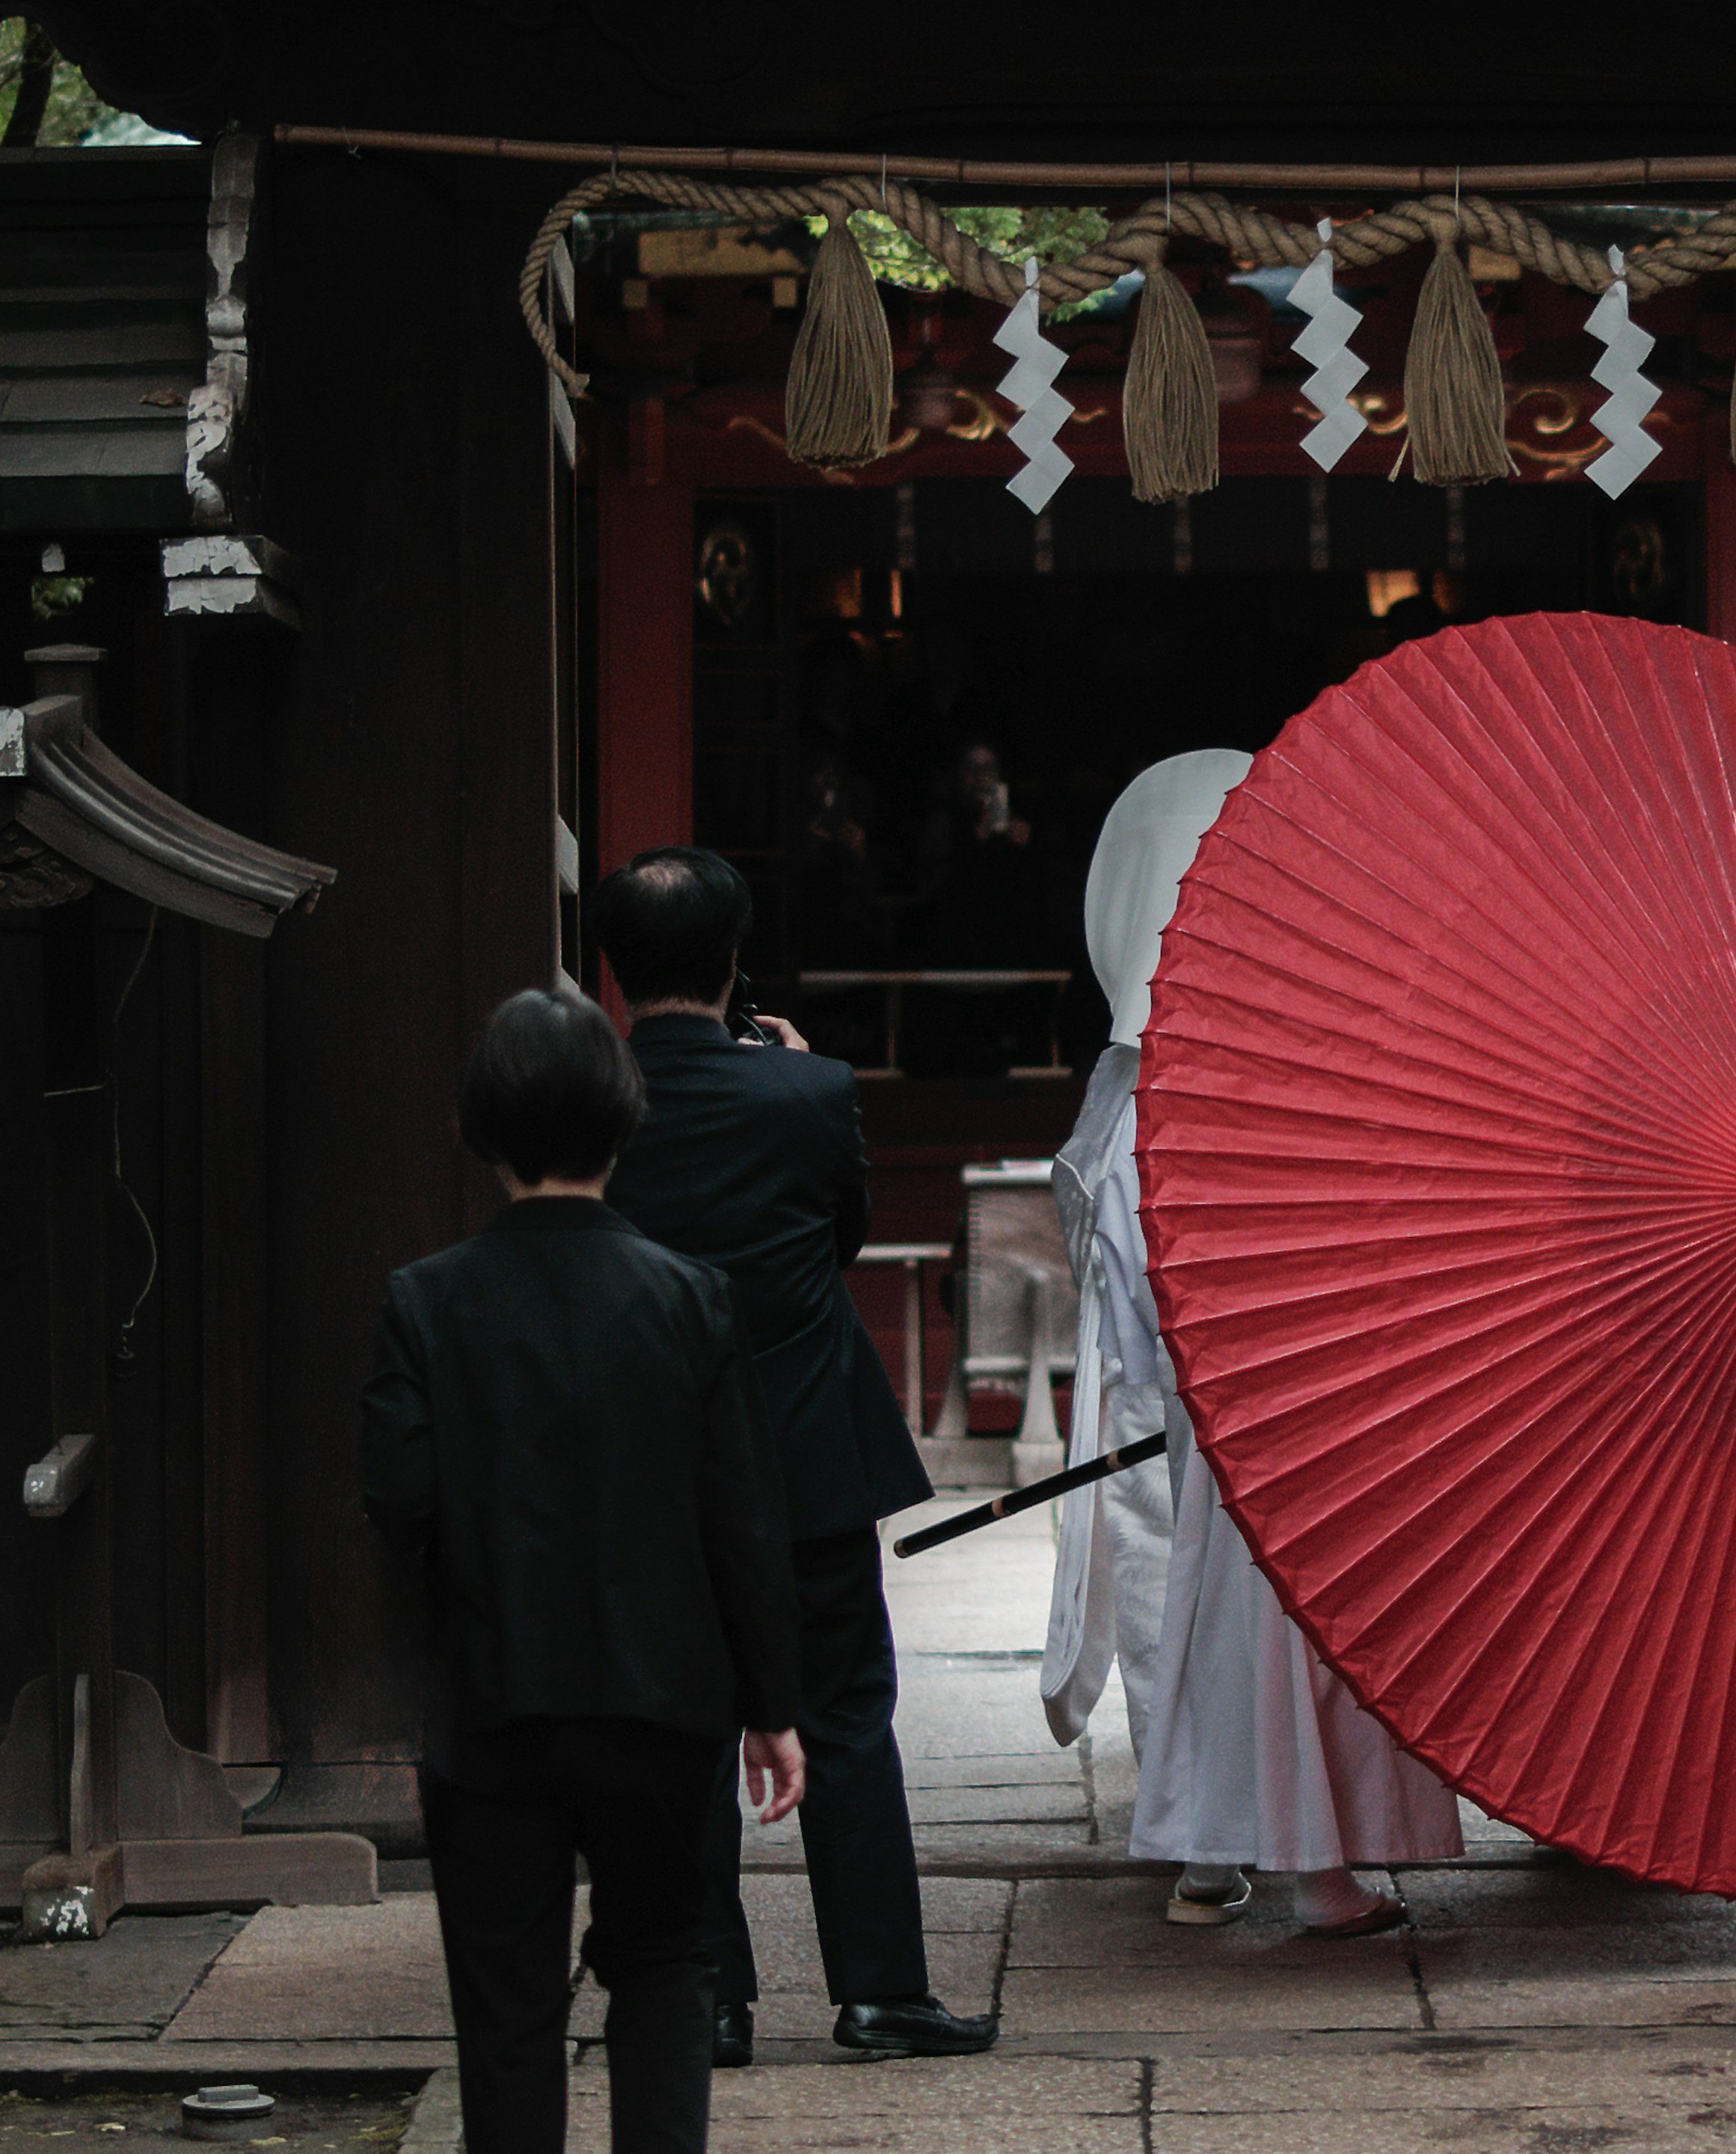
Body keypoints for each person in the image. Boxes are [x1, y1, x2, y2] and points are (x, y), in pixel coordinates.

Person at [361, 988, 807, 2154]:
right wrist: (771, 1707)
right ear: (623, 1125)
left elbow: (397, 1498)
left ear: (480, 1131)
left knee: (504, 2004)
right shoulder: (689, 1298)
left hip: (495, 1700)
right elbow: (741, 1519)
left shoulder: (426, 1302)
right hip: (665, 1702)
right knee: (665, 1966)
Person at [1045, 753, 1464, 1934]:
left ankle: (1206, 1843)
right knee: (1263, 1620)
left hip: (1193, 1397)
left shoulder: (1126, 1109)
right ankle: (1287, 1857)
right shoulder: (1279, 1079)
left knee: (1179, 1596)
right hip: (1279, 1402)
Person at [591, 848, 989, 2065]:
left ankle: (706, 1995)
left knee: (677, 1732)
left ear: (609, 966)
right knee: (849, 1713)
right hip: (803, 1445)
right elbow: (844, 1231)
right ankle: (878, 1991)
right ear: (732, 959)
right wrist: (792, 1065)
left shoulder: (586, 1098)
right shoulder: (807, 1091)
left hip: (648, 1459)